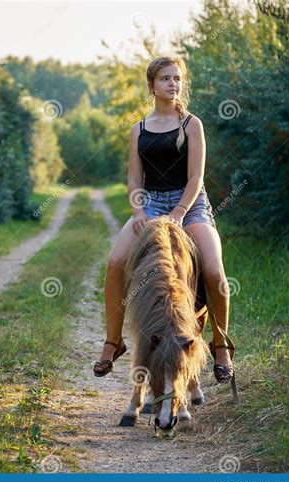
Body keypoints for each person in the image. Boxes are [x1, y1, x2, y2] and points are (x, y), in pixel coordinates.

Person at [93, 55, 234, 383]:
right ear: (152, 86)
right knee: (115, 262)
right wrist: (139, 211)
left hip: (191, 205)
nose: (174, 84)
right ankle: (113, 342)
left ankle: (221, 343)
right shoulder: (139, 130)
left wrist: (180, 213)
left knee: (214, 271)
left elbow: (196, 177)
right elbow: (133, 180)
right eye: (166, 79)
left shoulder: (191, 125)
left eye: (178, 78)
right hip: (151, 205)